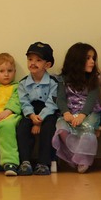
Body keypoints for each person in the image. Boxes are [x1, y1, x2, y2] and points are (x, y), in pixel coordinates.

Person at [52, 43, 101, 173]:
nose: (92, 62)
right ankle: (75, 156)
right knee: (61, 127)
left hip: (89, 112)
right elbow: (61, 99)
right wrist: (66, 113)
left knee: (86, 127)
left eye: (93, 58)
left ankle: (84, 160)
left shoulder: (94, 78)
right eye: (88, 58)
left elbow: (91, 100)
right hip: (70, 111)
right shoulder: (62, 79)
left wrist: (82, 115)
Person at [15, 42, 59, 176]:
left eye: (38, 60)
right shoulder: (23, 83)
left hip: (48, 112)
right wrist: (32, 116)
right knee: (22, 127)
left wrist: (40, 119)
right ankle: (25, 162)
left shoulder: (53, 82)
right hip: (31, 112)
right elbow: (24, 102)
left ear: (47, 65)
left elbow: (52, 103)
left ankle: (43, 163)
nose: (33, 63)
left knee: (49, 128)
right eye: (30, 59)